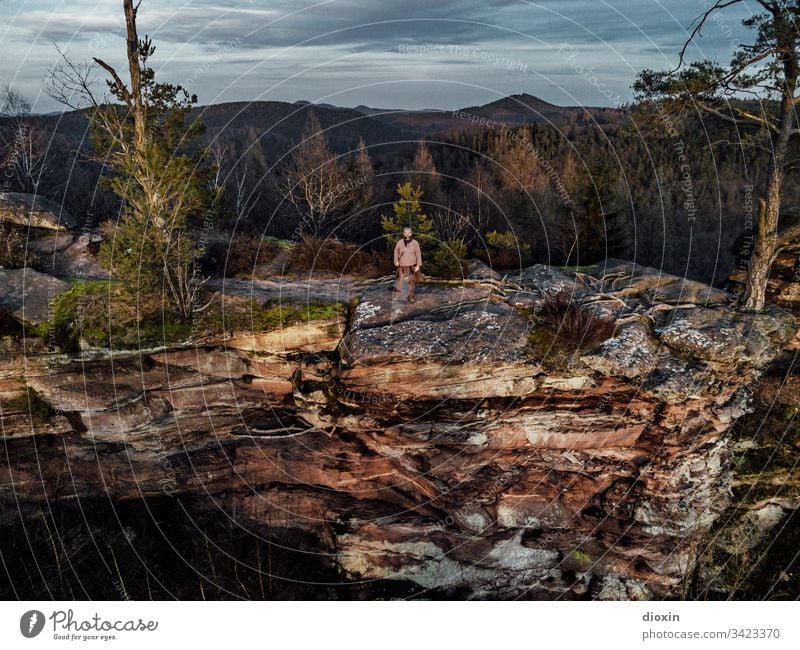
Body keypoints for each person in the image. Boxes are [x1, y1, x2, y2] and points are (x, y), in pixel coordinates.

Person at [393, 227, 422, 302]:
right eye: (405, 233)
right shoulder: (399, 242)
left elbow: (418, 254)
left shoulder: (415, 243)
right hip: (402, 265)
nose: (407, 235)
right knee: (399, 282)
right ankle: (397, 296)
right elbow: (396, 252)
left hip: (412, 265)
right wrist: (396, 261)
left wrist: (418, 265)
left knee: (411, 282)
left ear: (411, 233)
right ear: (403, 234)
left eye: (409, 233)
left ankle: (411, 296)